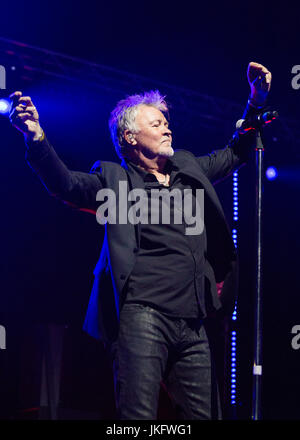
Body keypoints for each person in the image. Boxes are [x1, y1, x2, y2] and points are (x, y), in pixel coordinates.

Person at [9, 61, 271, 420]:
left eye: (166, 123)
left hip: (193, 320)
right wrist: (36, 136)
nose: (168, 130)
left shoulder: (187, 168)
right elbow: (65, 184)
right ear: (130, 137)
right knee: (139, 418)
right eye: (157, 124)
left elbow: (236, 152)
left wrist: (255, 102)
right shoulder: (114, 179)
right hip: (142, 316)